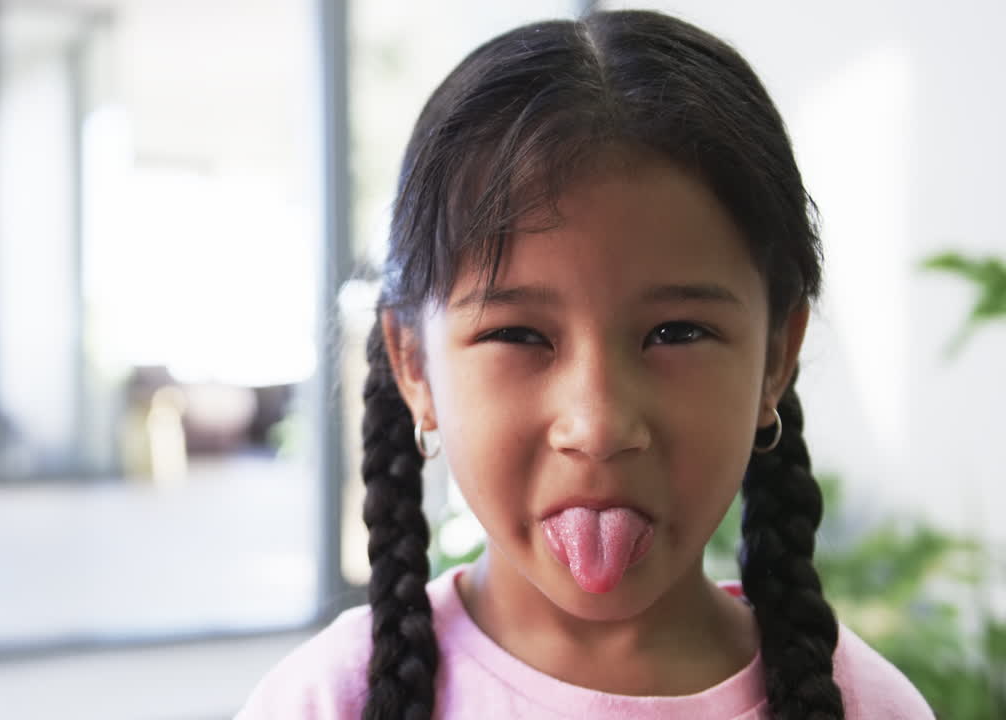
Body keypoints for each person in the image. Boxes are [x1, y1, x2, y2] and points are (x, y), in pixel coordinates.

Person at [237, 9, 934, 720]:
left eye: (677, 332)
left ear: (774, 360)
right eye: (518, 335)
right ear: (414, 366)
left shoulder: (872, 708)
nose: (598, 424)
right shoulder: (324, 702)